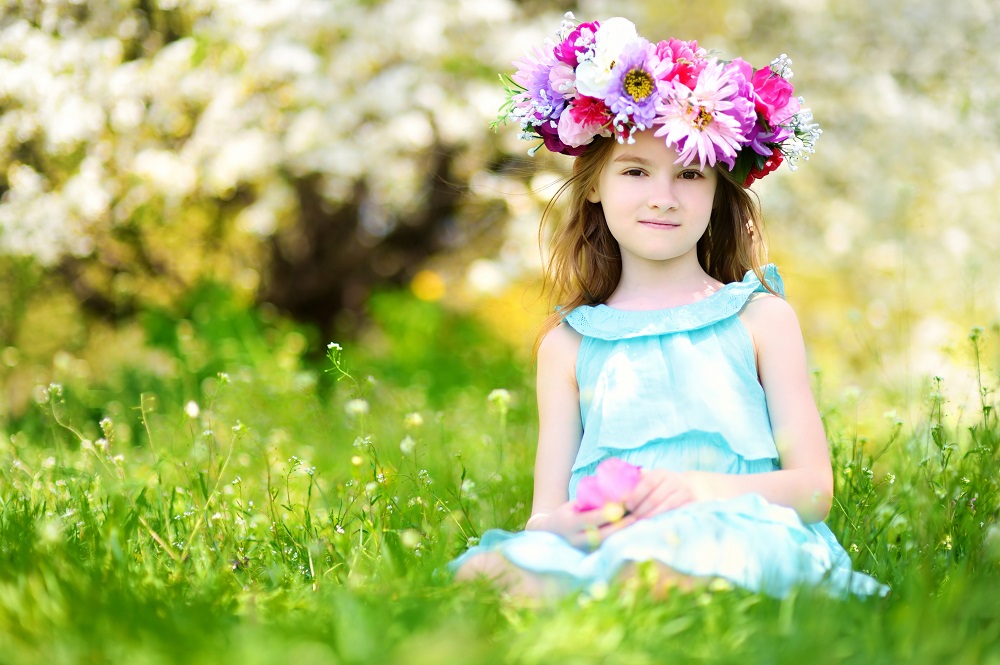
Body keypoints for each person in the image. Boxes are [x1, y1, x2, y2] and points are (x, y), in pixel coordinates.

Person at [451, 14, 888, 599]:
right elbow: (544, 514)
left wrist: (698, 490)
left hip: (738, 528)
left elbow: (813, 490)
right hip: (615, 537)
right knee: (488, 568)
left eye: (689, 174)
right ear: (595, 184)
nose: (663, 198)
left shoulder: (759, 319)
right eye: (635, 171)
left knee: (680, 564)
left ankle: (634, 590)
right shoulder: (569, 345)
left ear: (717, 191)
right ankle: (612, 585)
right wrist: (572, 525)